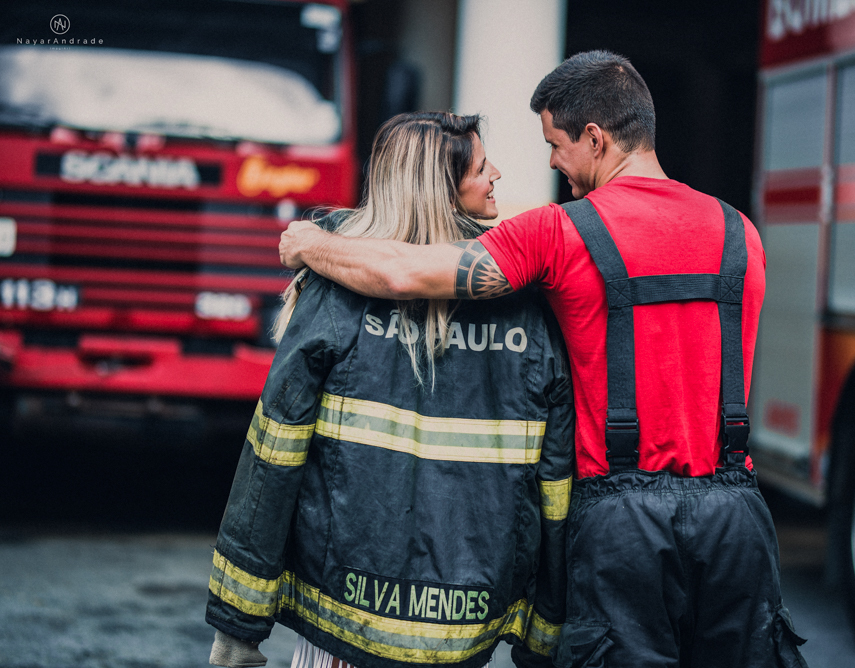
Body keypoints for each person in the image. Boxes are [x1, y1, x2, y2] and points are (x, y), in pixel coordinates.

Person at [278, 52, 809, 668]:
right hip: (738, 520)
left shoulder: (558, 234)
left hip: (624, 525)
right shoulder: (741, 231)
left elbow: (403, 272)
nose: (553, 162)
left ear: (594, 138)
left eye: (556, 145)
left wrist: (315, 241)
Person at [206, 112, 574, 668]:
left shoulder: (335, 285)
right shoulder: (524, 298)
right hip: (466, 622)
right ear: (440, 188)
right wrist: (545, 632)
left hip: (341, 619)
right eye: (480, 166)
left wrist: (238, 626)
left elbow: (273, 457)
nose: (496, 173)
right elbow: (555, 476)